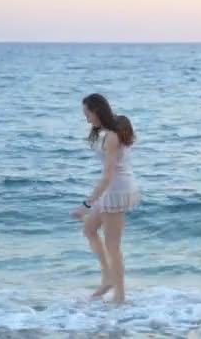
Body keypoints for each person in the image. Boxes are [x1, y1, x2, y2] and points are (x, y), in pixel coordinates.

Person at [72, 93, 140, 304]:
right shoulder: (113, 128)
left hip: (116, 189)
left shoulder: (112, 136)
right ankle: (107, 277)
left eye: (88, 113)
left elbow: (109, 175)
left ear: (97, 111)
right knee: (89, 229)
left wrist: (86, 204)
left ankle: (120, 296)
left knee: (113, 246)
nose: (86, 118)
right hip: (112, 188)